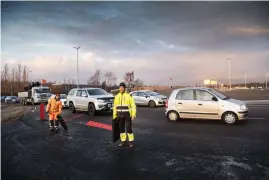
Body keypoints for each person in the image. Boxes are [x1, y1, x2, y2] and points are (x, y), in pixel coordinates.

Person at [113, 82, 137, 148]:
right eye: (120, 87)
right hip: (119, 115)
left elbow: (133, 106)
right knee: (121, 129)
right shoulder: (117, 96)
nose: (121, 88)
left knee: (129, 128)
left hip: (127, 115)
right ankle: (123, 141)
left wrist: (133, 114)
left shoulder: (128, 96)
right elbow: (115, 107)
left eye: (122, 87)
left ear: (124, 88)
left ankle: (131, 142)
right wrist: (114, 116)